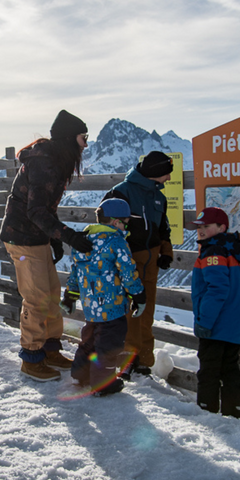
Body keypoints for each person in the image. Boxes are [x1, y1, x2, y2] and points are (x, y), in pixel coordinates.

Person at [0, 110, 93, 382]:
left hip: (35, 235)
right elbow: (36, 210)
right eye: (82, 137)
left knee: (51, 293)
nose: (84, 144)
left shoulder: (54, 160)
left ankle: (50, 349)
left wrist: (53, 238)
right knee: (37, 297)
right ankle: (31, 358)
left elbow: (44, 209)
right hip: (22, 236)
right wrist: (68, 236)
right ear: (68, 138)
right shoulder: (45, 162)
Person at [61, 198, 146, 397]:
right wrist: (138, 295)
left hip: (91, 305)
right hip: (113, 306)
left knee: (89, 338)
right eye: (125, 222)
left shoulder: (83, 240)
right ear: (115, 222)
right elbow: (127, 272)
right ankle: (103, 383)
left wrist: (70, 296)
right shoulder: (117, 242)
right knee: (109, 344)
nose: (126, 226)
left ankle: (81, 375)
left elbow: (75, 272)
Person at [103, 151, 174, 378]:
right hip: (127, 261)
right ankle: (126, 361)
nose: (169, 179)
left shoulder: (159, 197)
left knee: (147, 310)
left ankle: (144, 360)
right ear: (156, 172)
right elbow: (106, 224)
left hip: (150, 261)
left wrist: (166, 251)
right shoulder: (120, 192)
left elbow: (163, 228)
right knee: (129, 311)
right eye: (167, 173)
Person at [187, 207, 240, 418]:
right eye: (200, 227)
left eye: (207, 227)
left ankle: (207, 413)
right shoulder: (229, 247)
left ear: (222, 227)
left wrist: (205, 321)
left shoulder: (213, 251)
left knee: (209, 371)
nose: (201, 231)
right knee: (230, 368)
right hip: (233, 323)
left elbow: (217, 289)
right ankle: (234, 412)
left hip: (216, 324)